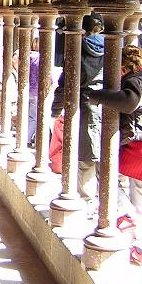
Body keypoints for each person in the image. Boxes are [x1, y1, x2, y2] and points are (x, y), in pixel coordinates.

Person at [88, 45, 142, 266]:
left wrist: (97, 95)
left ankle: (123, 214)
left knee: (105, 171)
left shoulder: (136, 79)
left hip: (137, 149)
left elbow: (129, 102)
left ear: (123, 65)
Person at [51, 13, 104, 215]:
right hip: (108, 107)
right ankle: (105, 203)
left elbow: (67, 80)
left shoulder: (77, 48)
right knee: (104, 154)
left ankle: (86, 202)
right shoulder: (112, 48)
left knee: (85, 156)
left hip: (83, 105)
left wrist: (56, 108)